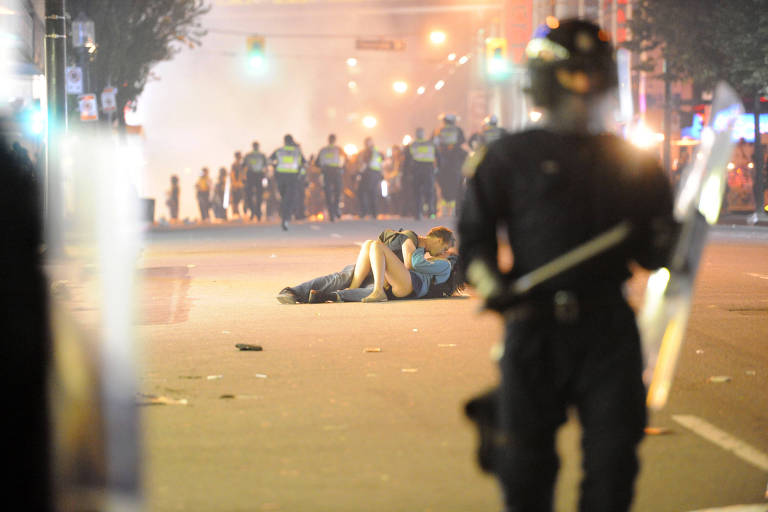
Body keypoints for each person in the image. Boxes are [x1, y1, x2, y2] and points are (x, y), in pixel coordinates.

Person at [458, 19, 675, 512]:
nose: (582, 87)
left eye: (591, 74)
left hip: (608, 333)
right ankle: (500, 417)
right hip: (533, 328)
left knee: (613, 467)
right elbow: (474, 241)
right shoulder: (508, 157)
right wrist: (494, 284)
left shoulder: (634, 164)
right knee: (527, 476)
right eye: (572, 74)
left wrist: (670, 239)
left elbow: (653, 255)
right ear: (544, 80)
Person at [276, 226, 455, 304]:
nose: (442, 253)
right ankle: (295, 292)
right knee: (346, 275)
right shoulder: (412, 239)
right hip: (381, 268)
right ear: (439, 239)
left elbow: (411, 265)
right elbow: (411, 263)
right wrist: (414, 245)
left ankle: (316, 294)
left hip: (390, 275)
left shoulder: (432, 258)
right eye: (444, 248)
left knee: (347, 278)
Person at [270, 134, 307, 231]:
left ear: (284, 141)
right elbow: (304, 164)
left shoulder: (279, 151)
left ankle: (284, 215)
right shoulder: (297, 152)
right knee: (289, 198)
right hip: (292, 177)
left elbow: (269, 161)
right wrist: (301, 174)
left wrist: (275, 167)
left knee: (283, 198)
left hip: (281, 177)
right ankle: (286, 217)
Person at [435, 113, 467, 217]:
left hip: (442, 162)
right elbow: (462, 141)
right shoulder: (457, 130)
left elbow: (434, 143)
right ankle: (453, 211)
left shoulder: (438, 130)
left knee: (443, 187)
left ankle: (443, 211)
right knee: (456, 187)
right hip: (455, 162)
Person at [404, 127, 439, 220]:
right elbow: (438, 156)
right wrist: (438, 168)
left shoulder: (412, 145)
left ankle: (418, 213)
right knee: (429, 191)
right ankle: (431, 212)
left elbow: (407, 160)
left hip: (417, 170)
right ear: (424, 134)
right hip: (428, 169)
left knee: (417, 192)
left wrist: (406, 172)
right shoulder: (430, 144)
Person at [315, 134, 347, 222]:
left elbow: (317, 163)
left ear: (328, 140)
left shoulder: (323, 150)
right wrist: (343, 169)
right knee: (338, 191)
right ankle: (336, 209)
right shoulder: (339, 149)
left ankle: (331, 212)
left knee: (328, 193)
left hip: (326, 172)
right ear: (335, 140)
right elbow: (346, 159)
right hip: (337, 172)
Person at [357, 137, 384, 219]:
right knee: (373, 193)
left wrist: (359, 173)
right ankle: (374, 213)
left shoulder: (369, 151)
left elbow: (366, 163)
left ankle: (364, 212)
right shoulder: (377, 151)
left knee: (362, 192)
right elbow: (382, 161)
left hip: (369, 173)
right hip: (376, 174)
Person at [243, 141, 268, 221]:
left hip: (250, 175)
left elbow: (243, 165)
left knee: (249, 195)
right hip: (259, 175)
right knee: (259, 195)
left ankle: (253, 211)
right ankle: (258, 213)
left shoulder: (248, 155)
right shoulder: (262, 155)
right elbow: (266, 166)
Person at [230, 151, 245, 218]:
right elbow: (232, 174)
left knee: (241, 199)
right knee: (235, 200)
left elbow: (243, 174)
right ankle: (236, 214)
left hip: (241, 184)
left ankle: (242, 213)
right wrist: (234, 183)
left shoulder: (242, 165)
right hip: (236, 185)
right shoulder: (234, 165)